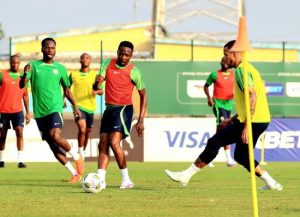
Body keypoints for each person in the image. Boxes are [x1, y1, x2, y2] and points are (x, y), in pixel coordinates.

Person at [165, 40, 283, 191]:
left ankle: (185, 175)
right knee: (241, 156)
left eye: (225, 55)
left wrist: (246, 127)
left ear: (234, 54)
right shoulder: (247, 68)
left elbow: (252, 98)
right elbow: (247, 102)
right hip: (259, 120)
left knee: (215, 141)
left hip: (253, 121)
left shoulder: (242, 71)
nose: (224, 59)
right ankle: (271, 183)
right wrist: (232, 119)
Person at [19, 38, 84, 183]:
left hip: (55, 109)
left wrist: (75, 107)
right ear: (42, 49)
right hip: (40, 113)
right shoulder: (33, 66)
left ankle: (77, 156)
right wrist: (24, 74)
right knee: (53, 146)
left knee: (55, 135)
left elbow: (67, 90)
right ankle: (74, 174)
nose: (50, 50)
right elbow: (21, 85)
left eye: (53, 48)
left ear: (55, 50)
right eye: (47, 47)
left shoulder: (60, 68)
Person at [93, 41, 147, 189]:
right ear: (117, 52)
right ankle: (101, 181)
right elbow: (96, 86)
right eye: (121, 53)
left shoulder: (134, 71)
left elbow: (143, 96)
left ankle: (126, 180)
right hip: (109, 109)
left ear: (131, 56)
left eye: (127, 55)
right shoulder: (107, 64)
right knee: (103, 143)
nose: (123, 57)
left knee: (114, 142)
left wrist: (141, 120)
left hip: (123, 109)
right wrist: (96, 83)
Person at [69, 53, 103, 161]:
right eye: (82, 57)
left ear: (90, 61)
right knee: (82, 129)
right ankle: (80, 153)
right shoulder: (73, 75)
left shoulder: (95, 75)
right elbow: (66, 89)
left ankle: (82, 150)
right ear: (80, 60)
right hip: (77, 106)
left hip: (90, 108)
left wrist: (96, 90)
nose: (85, 59)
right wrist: (63, 100)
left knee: (87, 132)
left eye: (87, 58)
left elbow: (101, 91)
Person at [203, 56, 236, 167]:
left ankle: (208, 156)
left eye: (227, 61)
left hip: (229, 104)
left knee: (221, 132)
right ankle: (228, 159)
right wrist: (209, 98)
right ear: (220, 62)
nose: (225, 62)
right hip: (218, 104)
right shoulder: (214, 74)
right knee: (224, 129)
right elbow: (206, 86)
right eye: (223, 61)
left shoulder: (233, 74)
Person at [0, 55, 30, 168]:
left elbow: (26, 96)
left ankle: (21, 161)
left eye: (17, 63)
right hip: (3, 110)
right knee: (2, 136)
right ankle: (1, 160)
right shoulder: (2, 74)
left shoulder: (23, 77)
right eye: (13, 62)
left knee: (19, 132)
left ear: (20, 63)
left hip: (17, 111)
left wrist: (28, 112)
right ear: (10, 62)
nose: (15, 65)